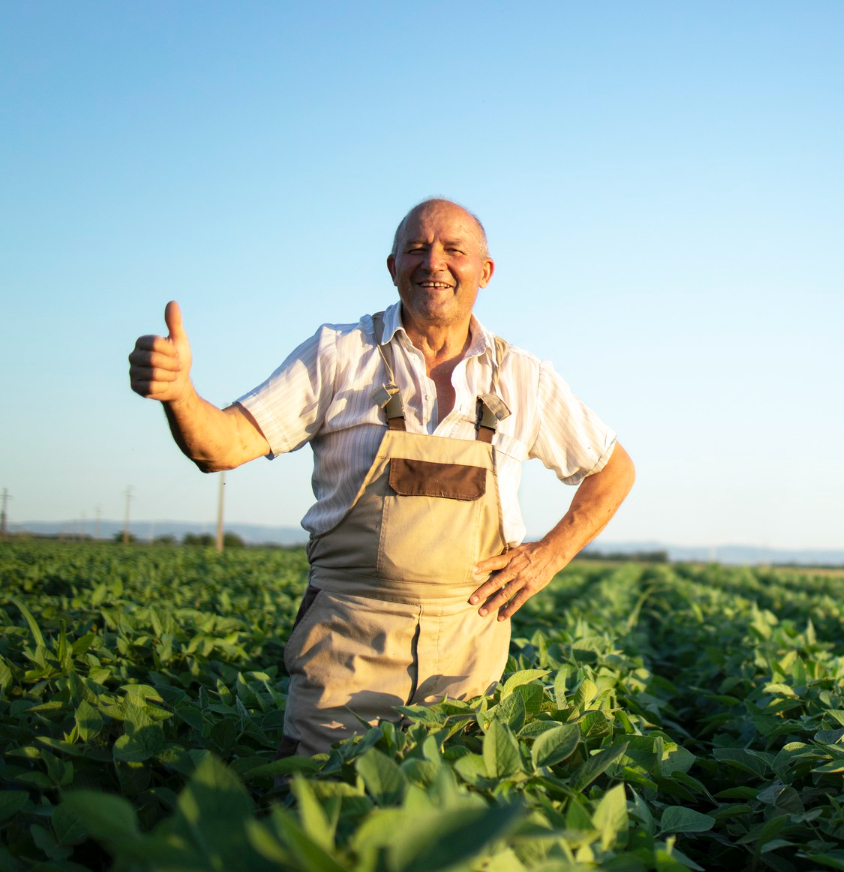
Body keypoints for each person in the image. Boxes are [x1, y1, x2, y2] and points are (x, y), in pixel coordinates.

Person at [127, 198, 636, 756]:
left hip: (469, 663)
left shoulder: (522, 377)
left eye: (453, 250)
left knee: (451, 828)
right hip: (345, 657)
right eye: (416, 249)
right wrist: (179, 395)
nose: (433, 262)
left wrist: (549, 556)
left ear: (484, 272)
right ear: (392, 268)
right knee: (318, 818)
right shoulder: (339, 355)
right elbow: (219, 446)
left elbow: (612, 469)